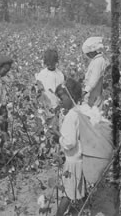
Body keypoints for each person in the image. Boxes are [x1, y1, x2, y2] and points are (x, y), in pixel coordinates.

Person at [54, 79, 87, 216]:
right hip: (81, 159)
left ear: (71, 96)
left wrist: (58, 137)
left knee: (67, 193)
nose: (60, 101)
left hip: (72, 162)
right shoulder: (80, 111)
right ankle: (85, 209)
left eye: (62, 98)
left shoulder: (70, 117)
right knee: (80, 189)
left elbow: (69, 143)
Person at [82, 37, 110, 108]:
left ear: (93, 51)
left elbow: (94, 78)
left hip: (95, 90)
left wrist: (85, 91)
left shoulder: (98, 61)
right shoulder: (98, 59)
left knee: (93, 109)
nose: (87, 55)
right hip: (95, 89)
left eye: (88, 53)